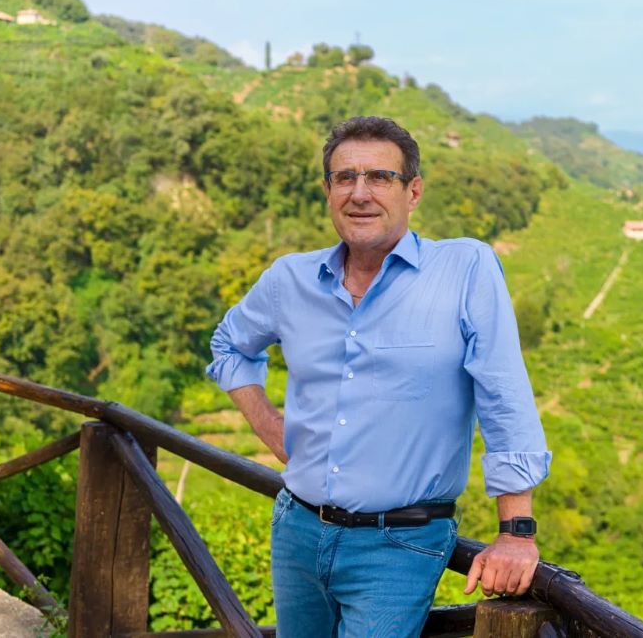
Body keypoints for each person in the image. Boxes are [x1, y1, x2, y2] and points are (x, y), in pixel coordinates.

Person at [206, 116, 551, 637]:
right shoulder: (289, 279)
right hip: (297, 530)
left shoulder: (464, 270)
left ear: (413, 191)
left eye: (380, 177)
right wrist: (270, 428)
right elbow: (228, 344)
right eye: (345, 178)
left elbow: (503, 395)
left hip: (399, 546)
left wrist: (516, 531)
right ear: (328, 191)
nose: (360, 193)